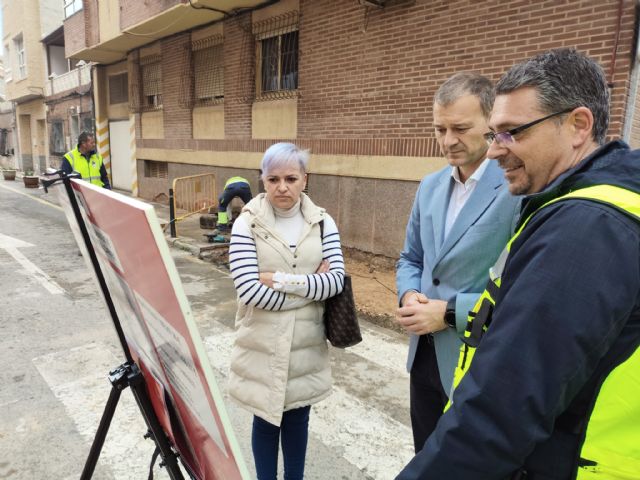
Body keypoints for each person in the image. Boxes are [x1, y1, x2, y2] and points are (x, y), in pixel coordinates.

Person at [396, 48, 640, 480]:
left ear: (578, 125)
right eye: (495, 134)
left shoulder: (587, 227)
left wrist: (447, 312)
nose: (495, 151)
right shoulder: (572, 202)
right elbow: (414, 257)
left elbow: (503, 408)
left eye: (511, 133)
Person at [395, 72, 520, 453]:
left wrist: (450, 313)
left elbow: (520, 285)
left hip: (478, 363)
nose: (448, 140)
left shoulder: (516, 188)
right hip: (423, 357)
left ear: (490, 123)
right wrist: (409, 294)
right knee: (425, 456)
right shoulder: (429, 186)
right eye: (440, 129)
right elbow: (411, 257)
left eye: (460, 128)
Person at [227, 142, 345, 480]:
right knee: (265, 422)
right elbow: (249, 291)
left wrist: (278, 280)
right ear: (262, 179)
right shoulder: (246, 224)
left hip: (305, 345)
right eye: (273, 179)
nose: (282, 187)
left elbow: (336, 281)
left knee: (297, 420)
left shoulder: (323, 223)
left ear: (305, 179)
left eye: (291, 178)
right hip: (262, 344)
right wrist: (310, 288)